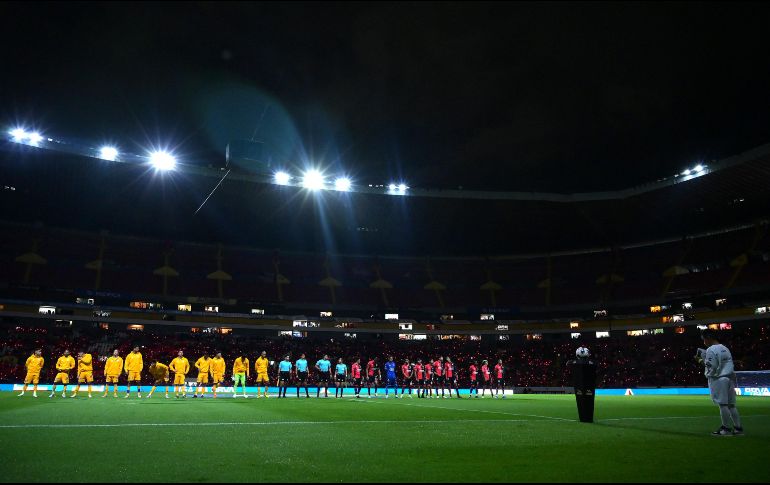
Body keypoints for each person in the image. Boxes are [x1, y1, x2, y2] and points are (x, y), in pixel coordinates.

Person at [699, 329, 743, 435]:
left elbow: (712, 366)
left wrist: (701, 361)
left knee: (723, 405)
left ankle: (725, 429)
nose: (704, 342)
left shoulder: (711, 349)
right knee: (731, 405)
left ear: (708, 338)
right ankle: (738, 428)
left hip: (719, 378)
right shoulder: (725, 348)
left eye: (704, 339)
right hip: (729, 377)